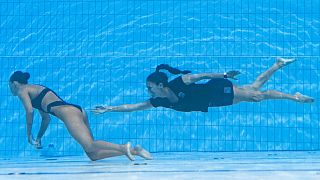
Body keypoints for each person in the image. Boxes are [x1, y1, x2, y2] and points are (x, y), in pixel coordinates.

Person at [9, 71, 152, 161]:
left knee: (90, 145)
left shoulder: (23, 90)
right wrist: (39, 137)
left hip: (68, 112)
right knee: (92, 154)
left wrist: (29, 135)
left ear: (14, 83)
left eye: (9, 85)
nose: (10, 89)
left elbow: (29, 111)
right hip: (76, 110)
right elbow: (46, 118)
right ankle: (134, 150)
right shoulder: (35, 89)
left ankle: (123, 147)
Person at [91, 58, 314, 114]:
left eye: (150, 87)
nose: (148, 91)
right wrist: (110, 108)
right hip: (213, 101)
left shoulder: (179, 82)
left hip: (216, 90)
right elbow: (134, 106)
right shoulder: (159, 101)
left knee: (257, 95)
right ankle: (277, 64)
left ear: (160, 84)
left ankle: (293, 97)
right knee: (254, 88)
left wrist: (225, 74)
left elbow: (201, 75)